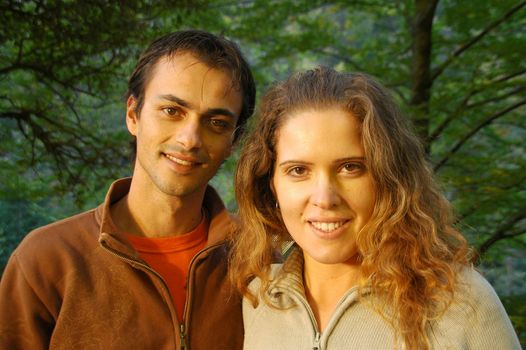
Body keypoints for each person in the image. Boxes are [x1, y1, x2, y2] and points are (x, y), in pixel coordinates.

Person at [229, 67, 520, 349]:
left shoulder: (460, 303)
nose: (324, 197)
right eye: (298, 170)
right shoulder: (257, 301)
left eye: (350, 167)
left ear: (387, 178)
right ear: (270, 183)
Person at [0, 29, 255, 349]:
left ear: (234, 139)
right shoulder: (46, 261)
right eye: (172, 111)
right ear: (133, 114)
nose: (190, 139)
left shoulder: (256, 260)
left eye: (216, 122)